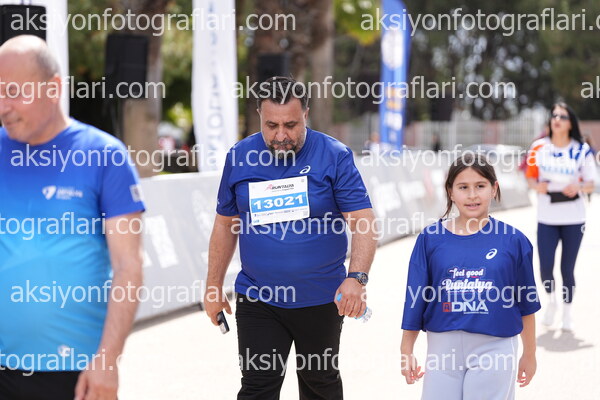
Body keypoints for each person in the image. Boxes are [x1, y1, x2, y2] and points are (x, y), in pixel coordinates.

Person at [204, 76, 377, 400]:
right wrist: (213, 286)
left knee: (319, 383)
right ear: (259, 115)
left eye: (291, 125)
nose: (281, 135)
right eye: (271, 125)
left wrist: (357, 277)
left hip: (320, 298)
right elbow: (226, 225)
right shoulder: (240, 156)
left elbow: (363, 221)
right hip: (258, 297)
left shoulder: (334, 155)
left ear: (306, 114)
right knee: (257, 388)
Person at [0, 36, 145, 400]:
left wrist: (108, 360)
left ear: (53, 89)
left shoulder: (104, 156)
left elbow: (128, 265)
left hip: (73, 373)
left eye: (14, 92)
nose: (4, 106)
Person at [400, 153, 540, 400]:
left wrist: (530, 353)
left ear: (494, 188)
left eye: (480, 186)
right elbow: (415, 298)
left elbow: (526, 303)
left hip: (495, 346)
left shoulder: (513, 240)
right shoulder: (430, 239)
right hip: (442, 348)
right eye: (463, 187)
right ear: (451, 192)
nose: (472, 195)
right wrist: (406, 349)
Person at [525, 102, 597, 330]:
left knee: (567, 269)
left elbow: (591, 183)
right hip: (547, 217)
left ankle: (567, 312)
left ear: (570, 123)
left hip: (574, 218)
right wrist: (537, 186)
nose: (557, 119)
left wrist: (578, 186)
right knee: (545, 267)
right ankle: (552, 301)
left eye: (562, 116)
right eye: (554, 115)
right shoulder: (538, 147)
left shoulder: (581, 149)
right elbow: (530, 177)